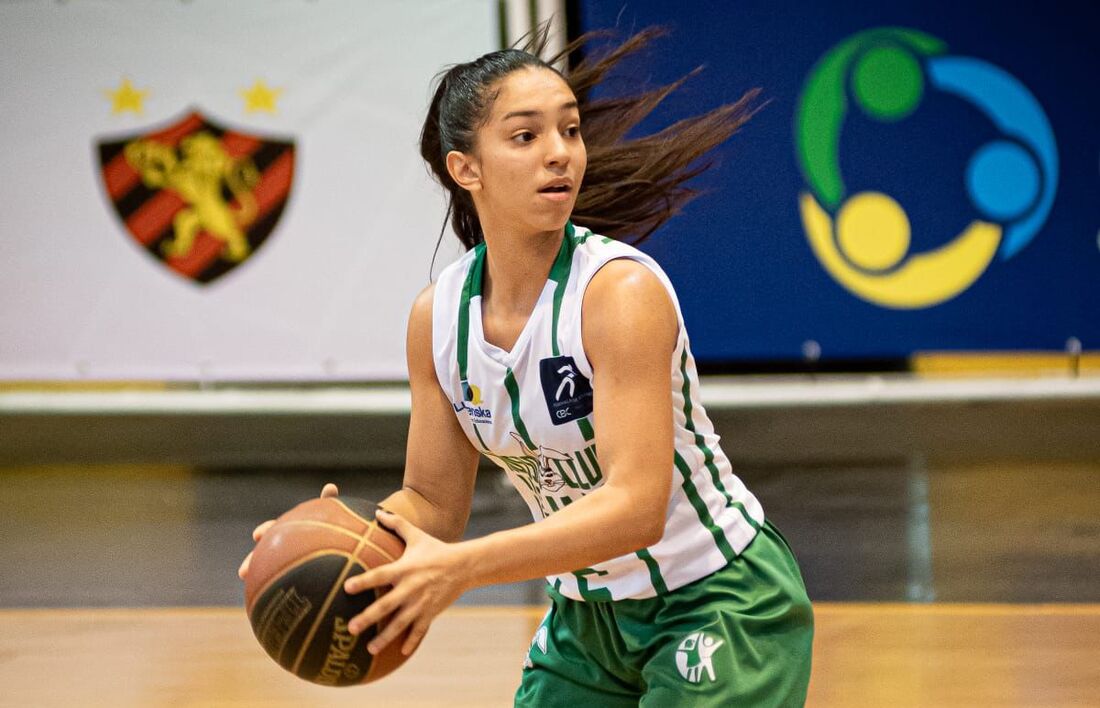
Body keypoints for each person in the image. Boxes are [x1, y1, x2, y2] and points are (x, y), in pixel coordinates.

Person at [241, 27, 813, 707]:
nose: (560, 155)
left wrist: (461, 570)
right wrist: (326, 541)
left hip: (717, 600)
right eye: (526, 137)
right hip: (585, 617)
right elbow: (432, 504)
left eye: (570, 131)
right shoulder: (438, 318)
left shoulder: (619, 294)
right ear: (466, 169)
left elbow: (637, 509)